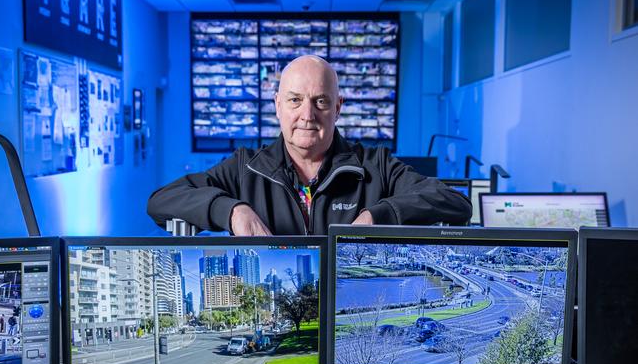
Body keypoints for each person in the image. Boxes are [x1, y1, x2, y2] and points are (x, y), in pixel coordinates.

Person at [147, 55, 471, 235]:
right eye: (295, 100)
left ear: (339, 107)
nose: (307, 115)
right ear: (277, 105)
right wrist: (232, 210)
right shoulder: (246, 168)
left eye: (320, 101)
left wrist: (379, 216)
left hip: (350, 320)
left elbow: (455, 204)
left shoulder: (376, 166)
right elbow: (161, 202)